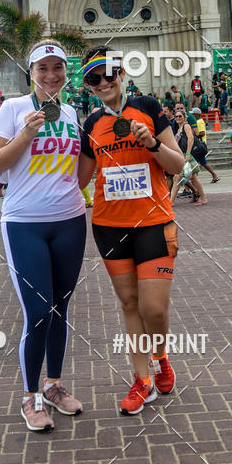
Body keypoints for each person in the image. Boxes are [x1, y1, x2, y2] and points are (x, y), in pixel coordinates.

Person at [0, 40, 86, 432]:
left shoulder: (71, 112)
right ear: (31, 72)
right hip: (24, 223)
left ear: (65, 72)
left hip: (70, 220)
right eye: (42, 68)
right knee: (39, 311)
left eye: (57, 67)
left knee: (61, 308)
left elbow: (77, 169)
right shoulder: (12, 109)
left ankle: (54, 386)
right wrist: (25, 135)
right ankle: (30, 398)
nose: (51, 75)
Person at [77, 48, 184, 416]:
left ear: (121, 74)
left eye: (109, 74)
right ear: (88, 85)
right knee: (129, 304)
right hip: (110, 226)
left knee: (153, 308)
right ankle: (142, 379)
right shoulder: (91, 124)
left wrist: (151, 143)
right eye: (94, 78)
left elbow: (177, 164)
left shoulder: (148, 107)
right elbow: (80, 179)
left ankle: (161, 356)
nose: (103, 82)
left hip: (153, 223)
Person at [171, 107, 208, 205]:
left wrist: (188, 153)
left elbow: (191, 138)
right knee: (188, 178)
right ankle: (202, 198)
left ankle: (171, 202)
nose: (178, 118)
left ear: (184, 117)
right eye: (176, 116)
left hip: (187, 155)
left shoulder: (186, 126)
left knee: (180, 178)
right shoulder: (179, 128)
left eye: (180, 116)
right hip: (182, 155)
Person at [190, 108, 219, 182]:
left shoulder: (199, 122)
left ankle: (195, 179)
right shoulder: (198, 121)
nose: (192, 115)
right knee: (202, 162)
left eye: (193, 114)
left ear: (196, 114)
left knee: (196, 162)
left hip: (199, 145)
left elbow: (202, 133)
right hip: (199, 145)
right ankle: (214, 175)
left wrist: (193, 135)